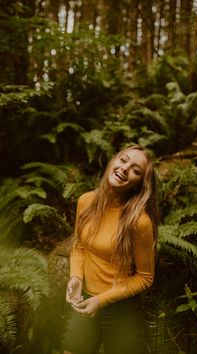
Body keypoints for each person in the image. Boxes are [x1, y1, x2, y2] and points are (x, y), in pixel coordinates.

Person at [63, 145, 158, 354]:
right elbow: (79, 246)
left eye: (135, 170)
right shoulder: (86, 201)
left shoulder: (139, 222)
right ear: (113, 162)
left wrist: (101, 300)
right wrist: (76, 278)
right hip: (85, 300)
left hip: (121, 310)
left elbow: (145, 277)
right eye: (123, 160)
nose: (125, 169)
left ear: (139, 185)